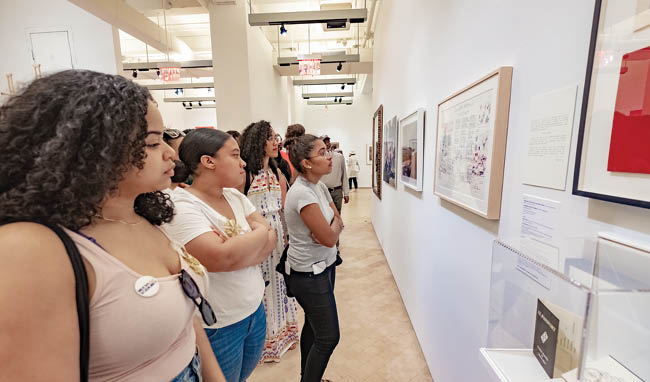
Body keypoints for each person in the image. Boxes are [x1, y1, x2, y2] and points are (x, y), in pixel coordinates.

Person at [0, 69, 225, 381]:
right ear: (91, 149)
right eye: (152, 142)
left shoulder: (142, 215)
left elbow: (187, 319)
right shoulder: (30, 248)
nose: (171, 154)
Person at [163, 128, 276, 382]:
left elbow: (271, 241)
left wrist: (239, 249)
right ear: (208, 161)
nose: (243, 162)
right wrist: (258, 234)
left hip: (254, 311)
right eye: (235, 155)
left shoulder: (235, 196)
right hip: (219, 325)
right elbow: (219, 258)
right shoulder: (182, 206)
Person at [284, 134, 344, 382]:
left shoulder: (319, 186)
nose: (329, 156)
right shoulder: (302, 194)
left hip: (326, 265)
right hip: (308, 273)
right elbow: (330, 237)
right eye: (322, 152)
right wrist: (330, 230)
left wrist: (332, 227)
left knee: (314, 325)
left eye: (327, 150)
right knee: (329, 336)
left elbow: (337, 222)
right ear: (306, 162)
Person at [239, 120, 299, 363]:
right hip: (255, 237)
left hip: (278, 238)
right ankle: (263, 341)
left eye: (277, 137)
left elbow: (284, 209)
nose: (277, 142)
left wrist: (288, 238)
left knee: (279, 287)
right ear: (257, 141)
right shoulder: (245, 174)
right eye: (271, 138)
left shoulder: (277, 171)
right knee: (261, 288)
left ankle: (284, 334)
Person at [319, 135, 349, 215]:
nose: (327, 144)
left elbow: (344, 175)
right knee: (325, 215)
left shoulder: (339, 157)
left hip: (337, 191)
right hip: (323, 191)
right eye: (324, 142)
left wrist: (346, 193)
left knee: (337, 214)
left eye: (328, 141)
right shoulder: (318, 158)